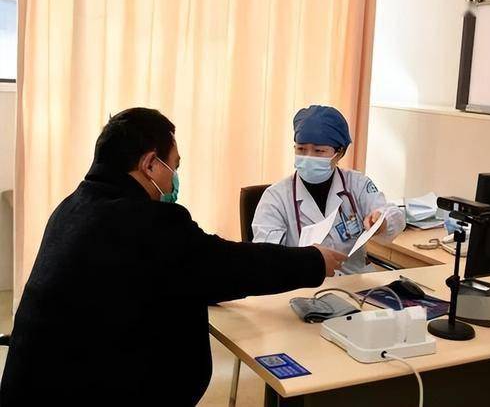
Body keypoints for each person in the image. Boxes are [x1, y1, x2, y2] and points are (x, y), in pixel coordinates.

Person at [0, 108, 345, 406]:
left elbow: (181, 269)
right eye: (173, 166)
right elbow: (232, 265)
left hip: (35, 386)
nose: (174, 179)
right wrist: (313, 261)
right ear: (150, 164)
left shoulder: (72, 207)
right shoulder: (147, 222)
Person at [252, 105, 405, 274]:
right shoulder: (275, 197)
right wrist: (307, 261)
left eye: (319, 151)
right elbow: (266, 258)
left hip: (355, 281)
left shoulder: (357, 184)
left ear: (339, 153)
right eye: (301, 149)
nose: (308, 157)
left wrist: (382, 221)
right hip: (301, 282)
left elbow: (394, 215)